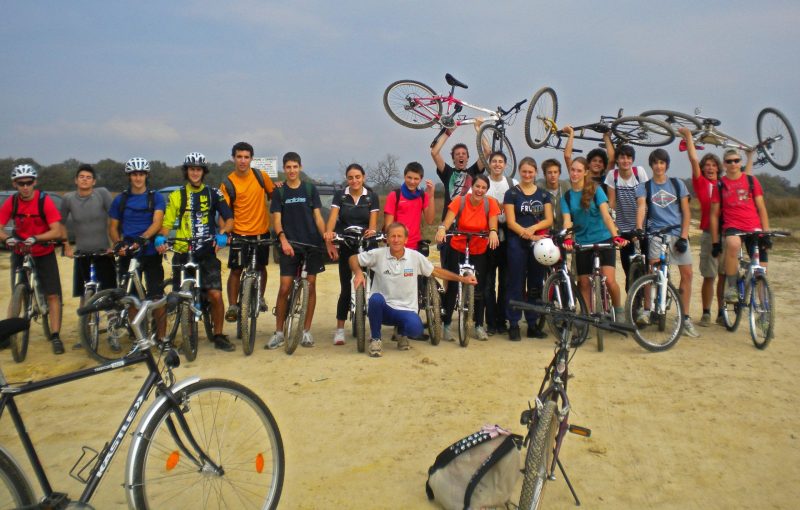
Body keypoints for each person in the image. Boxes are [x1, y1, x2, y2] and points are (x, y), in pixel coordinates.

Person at [350, 222, 477, 357]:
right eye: (392, 236)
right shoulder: (378, 254)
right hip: (384, 309)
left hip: (406, 309)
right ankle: (376, 339)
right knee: (375, 299)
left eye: (400, 236)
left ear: (406, 239)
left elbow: (435, 271)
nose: (396, 240)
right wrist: (358, 273)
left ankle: (402, 333)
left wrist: (462, 279)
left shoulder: (415, 257)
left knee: (416, 329)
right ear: (386, 239)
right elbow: (353, 259)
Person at [155, 152, 235, 351]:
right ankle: (186, 335)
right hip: (183, 251)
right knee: (181, 296)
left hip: (206, 250)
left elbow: (229, 217)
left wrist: (223, 233)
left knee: (215, 295)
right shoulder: (177, 195)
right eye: (192, 169)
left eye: (198, 169)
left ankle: (218, 334)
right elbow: (167, 222)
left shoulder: (213, 193)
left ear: (203, 172)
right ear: (187, 171)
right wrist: (162, 236)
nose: (195, 173)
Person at [679, 127, 753, 326]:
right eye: (707, 165)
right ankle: (705, 313)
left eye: (713, 165)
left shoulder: (725, 183)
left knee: (723, 275)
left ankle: (722, 313)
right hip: (707, 233)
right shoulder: (701, 183)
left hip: (729, 232)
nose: (710, 168)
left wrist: (750, 157)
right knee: (709, 276)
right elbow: (694, 160)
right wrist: (688, 138)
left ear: (719, 168)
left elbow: (746, 179)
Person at [0, 164, 65, 354]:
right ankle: (8, 335)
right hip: (20, 250)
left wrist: (37, 237)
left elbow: (57, 230)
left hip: (43, 250)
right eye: (21, 183)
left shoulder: (44, 201)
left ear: (34, 182)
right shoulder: (12, 202)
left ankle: (55, 335)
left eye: (29, 183)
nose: (25, 187)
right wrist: (7, 238)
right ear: (15, 184)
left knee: (53, 294)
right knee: (16, 294)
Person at [635, 149, 700, 337]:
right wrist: (639, 228)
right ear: (651, 165)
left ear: (667, 165)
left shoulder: (677, 184)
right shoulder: (645, 187)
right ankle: (647, 310)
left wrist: (684, 236)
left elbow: (686, 212)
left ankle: (685, 318)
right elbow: (641, 207)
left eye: (662, 163)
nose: (658, 166)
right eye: (655, 163)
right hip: (656, 233)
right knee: (652, 271)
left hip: (677, 233)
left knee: (687, 274)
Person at [267, 152, 328, 350]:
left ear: (300, 167)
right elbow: (276, 219)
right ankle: (278, 332)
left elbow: (318, 217)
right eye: (288, 167)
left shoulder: (310, 189)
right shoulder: (280, 192)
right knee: (285, 287)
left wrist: (327, 238)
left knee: (310, 286)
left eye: (295, 167)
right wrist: (283, 239)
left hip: (312, 243)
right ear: (284, 169)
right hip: (289, 244)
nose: (292, 170)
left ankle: (306, 331)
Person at [435, 174, 500, 341]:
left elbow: (493, 223)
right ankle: (447, 324)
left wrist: (493, 232)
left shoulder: (490, 203)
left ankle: (478, 325)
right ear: (472, 187)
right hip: (458, 245)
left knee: (479, 287)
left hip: (479, 247)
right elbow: (447, 221)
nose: (480, 190)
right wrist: (442, 229)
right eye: (477, 186)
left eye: (483, 188)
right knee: (454, 285)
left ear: (487, 189)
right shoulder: (460, 201)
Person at [561, 157, 627, 320]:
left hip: (604, 239)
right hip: (583, 242)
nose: (575, 173)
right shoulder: (567, 197)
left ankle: (618, 310)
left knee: (610, 280)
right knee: (583, 283)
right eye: (572, 170)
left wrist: (615, 236)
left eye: (578, 170)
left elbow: (606, 216)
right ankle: (585, 317)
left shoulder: (596, 190)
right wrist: (568, 239)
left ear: (586, 173)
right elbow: (567, 221)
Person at [108, 157, 167, 337]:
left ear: (146, 175)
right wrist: (118, 242)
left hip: (149, 251)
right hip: (128, 252)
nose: (138, 178)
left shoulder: (155, 197)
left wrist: (144, 238)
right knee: (131, 297)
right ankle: (137, 336)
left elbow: (157, 222)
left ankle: (163, 337)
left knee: (156, 296)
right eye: (134, 174)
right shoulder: (120, 200)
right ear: (129, 176)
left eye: (141, 174)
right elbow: (112, 226)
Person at [323, 163, 380, 346]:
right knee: (346, 289)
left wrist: (372, 232)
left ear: (363, 177)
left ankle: (373, 329)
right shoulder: (340, 195)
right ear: (347, 179)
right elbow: (332, 219)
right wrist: (329, 235)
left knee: (372, 289)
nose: (354, 180)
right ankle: (340, 329)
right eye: (350, 177)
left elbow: (372, 224)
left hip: (366, 243)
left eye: (357, 177)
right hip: (347, 243)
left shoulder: (371, 196)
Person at [60, 164, 116, 348]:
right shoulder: (68, 199)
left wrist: (115, 244)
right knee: (85, 296)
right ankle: (84, 335)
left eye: (88, 177)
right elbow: (60, 223)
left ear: (94, 181)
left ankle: (113, 333)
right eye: (81, 177)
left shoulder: (102, 194)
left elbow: (114, 217)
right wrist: (66, 245)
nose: (84, 179)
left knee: (109, 295)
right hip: (82, 253)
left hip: (103, 251)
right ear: (76, 180)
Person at [220, 141, 275, 323]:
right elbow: (223, 211)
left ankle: (260, 297)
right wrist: (224, 233)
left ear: (251, 158)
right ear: (233, 158)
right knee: (236, 270)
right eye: (239, 157)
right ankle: (233, 305)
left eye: (246, 157)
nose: (243, 161)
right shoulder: (227, 183)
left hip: (261, 232)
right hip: (239, 234)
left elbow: (274, 195)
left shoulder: (261, 176)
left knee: (261, 267)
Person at [710, 148, 769, 305]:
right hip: (733, 226)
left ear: (740, 162)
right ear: (724, 164)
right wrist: (715, 242)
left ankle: (764, 309)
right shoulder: (720, 185)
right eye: (729, 161)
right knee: (733, 244)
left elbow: (761, 208)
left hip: (754, 227)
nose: (733, 164)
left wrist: (766, 233)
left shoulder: (751, 180)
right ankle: (732, 287)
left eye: (736, 160)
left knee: (762, 269)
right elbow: (714, 215)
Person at [503, 157, 553, 340]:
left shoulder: (543, 194)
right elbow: (510, 222)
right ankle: (514, 323)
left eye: (530, 172)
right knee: (515, 283)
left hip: (538, 242)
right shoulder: (511, 194)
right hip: (517, 242)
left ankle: (532, 324)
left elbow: (549, 219)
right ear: (519, 172)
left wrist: (533, 230)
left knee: (535, 284)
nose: (527, 175)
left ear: (535, 173)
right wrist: (528, 233)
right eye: (524, 171)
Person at [605, 144, 649, 290]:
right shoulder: (613, 175)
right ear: (617, 159)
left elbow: (643, 200)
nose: (625, 160)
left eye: (629, 157)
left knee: (648, 265)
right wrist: (613, 224)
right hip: (623, 227)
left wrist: (639, 227)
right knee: (627, 267)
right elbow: (611, 202)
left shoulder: (639, 172)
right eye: (622, 157)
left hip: (642, 225)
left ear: (633, 159)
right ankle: (633, 300)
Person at [483, 152, 516, 335]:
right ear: (489, 164)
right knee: (487, 282)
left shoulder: (513, 184)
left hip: (509, 236)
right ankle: (491, 321)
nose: (497, 164)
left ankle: (502, 319)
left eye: (500, 161)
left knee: (505, 281)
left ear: (505, 164)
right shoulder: (481, 183)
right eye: (494, 161)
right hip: (488, 237)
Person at [430, 119, 486, 219]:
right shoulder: (447, 172)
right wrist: (448, 131)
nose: (461, 156)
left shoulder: (474, 171)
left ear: (467, 158)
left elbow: (487, 151)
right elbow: (434, 153)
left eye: (463, 154)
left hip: (468, 222)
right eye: (457, 154)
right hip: (449, 224)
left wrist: (478, 129)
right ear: (453, 158)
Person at [383, 162, 435, 250]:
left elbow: (430, 221)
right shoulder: (395, 195)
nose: (412, 181)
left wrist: (431, 197)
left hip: (415, 246)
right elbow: (388, 226)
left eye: (416, 179)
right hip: (397, 245)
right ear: (404, 176)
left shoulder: (423, 196)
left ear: (421, 179)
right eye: (409, 177)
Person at [562, 124, 615, 192]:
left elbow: (612, 160)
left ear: (604, 166)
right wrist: (571, 133)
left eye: (600, 161)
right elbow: (567, 157)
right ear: (588, 164)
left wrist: (606, 138)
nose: (597, 163)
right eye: (594, 160)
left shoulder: (606, 179)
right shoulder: (580, 176)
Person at [540, 158, 570, 231]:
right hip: (546, 233)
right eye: (549, 172)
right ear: (545, 174)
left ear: (559, 173)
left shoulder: (566, 186)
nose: (553, 175)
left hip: (564, 231)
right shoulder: (539, 188)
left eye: (555, 172)